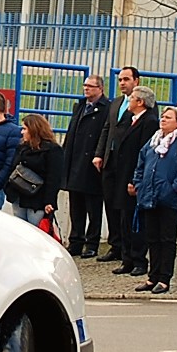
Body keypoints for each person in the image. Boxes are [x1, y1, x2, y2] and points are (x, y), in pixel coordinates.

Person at [132, 104, 177, 295]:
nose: (163, 120)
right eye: (162, 117)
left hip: (170, 199)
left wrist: (174, 188)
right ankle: (152, 276)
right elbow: (141, 164)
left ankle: (164, 279)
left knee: (167, 239)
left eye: (168, 118)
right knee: (152, 239)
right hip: (149, 197)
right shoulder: (154, 141)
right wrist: (139, 184)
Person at [96, 72, 159, 272]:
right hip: (119, 173)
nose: (129, 100)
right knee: (123, 217)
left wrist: (135, 179)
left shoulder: (149, 121)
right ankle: (127, 259)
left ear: (140, 102)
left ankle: (139, 260)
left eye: (132, 98)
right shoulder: (129, 118)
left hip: (133, 177)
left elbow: (144, 153)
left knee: (135, 221)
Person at [92, 67, 145, 263]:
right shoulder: (115, 103)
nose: (122, 83)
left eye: (126, 79)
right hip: (110, 158)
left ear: (136, 81)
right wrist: (99, 153)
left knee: (124, 205)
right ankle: (115, 245)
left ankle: (127, 246)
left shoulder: (144, 104)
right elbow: (107, 128)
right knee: (110, 202)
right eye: (120, 79)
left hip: (127, 162)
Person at [63, 75, 112, 257]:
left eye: (90, 86)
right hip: (75, 161)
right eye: (85, 86)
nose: (86, 89)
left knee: (93, 207)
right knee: (76, 207)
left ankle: (92, 243)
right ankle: (76, 240)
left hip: (92, 163)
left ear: (100, 88)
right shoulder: (80, 106)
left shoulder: (106, 108)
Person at [5, 112, 66, 227]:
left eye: (24, 129)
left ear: (34, 130)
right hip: (19, 196)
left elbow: (54, 178)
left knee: (36, 232)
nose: (22, 132)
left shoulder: (53, 150)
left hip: (38, 200)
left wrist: (49, 201)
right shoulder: (22, 146)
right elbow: (12, 167)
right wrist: (7, 187)